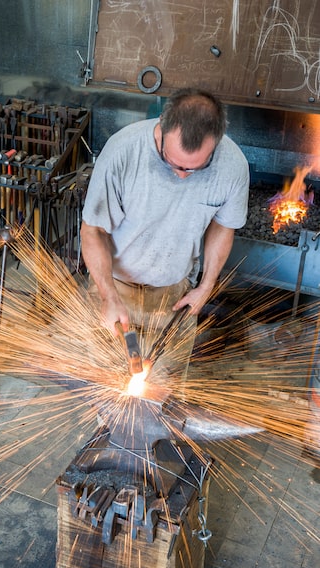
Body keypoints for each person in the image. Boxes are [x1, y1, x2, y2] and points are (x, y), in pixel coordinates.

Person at [80, 87, 249, 381]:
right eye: (173, 162)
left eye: (196, 168)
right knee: (105, 384)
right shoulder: (123, 152)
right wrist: (107, 295)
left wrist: (206, 286)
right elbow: (92, 230)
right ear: (162, 127)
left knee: (166, 391)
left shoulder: (233, 167)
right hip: (114, 285)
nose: (182, 175)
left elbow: (224, 226)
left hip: (174, 296)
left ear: (216, 144)